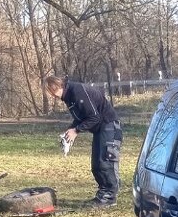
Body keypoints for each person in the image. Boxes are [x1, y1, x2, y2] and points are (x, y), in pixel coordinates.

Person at [44, 75, 123, 204]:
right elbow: (82, 117)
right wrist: (70, 130)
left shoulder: (77, 91)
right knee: (96, 165)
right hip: (100, 129)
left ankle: (109, 197)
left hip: (109, 125)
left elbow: (94, 117)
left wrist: (76, 131)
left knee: (105, 162)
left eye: (52, 91)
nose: (53, 96)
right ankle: (103, 194)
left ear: (57, 86)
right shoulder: (69, 97)